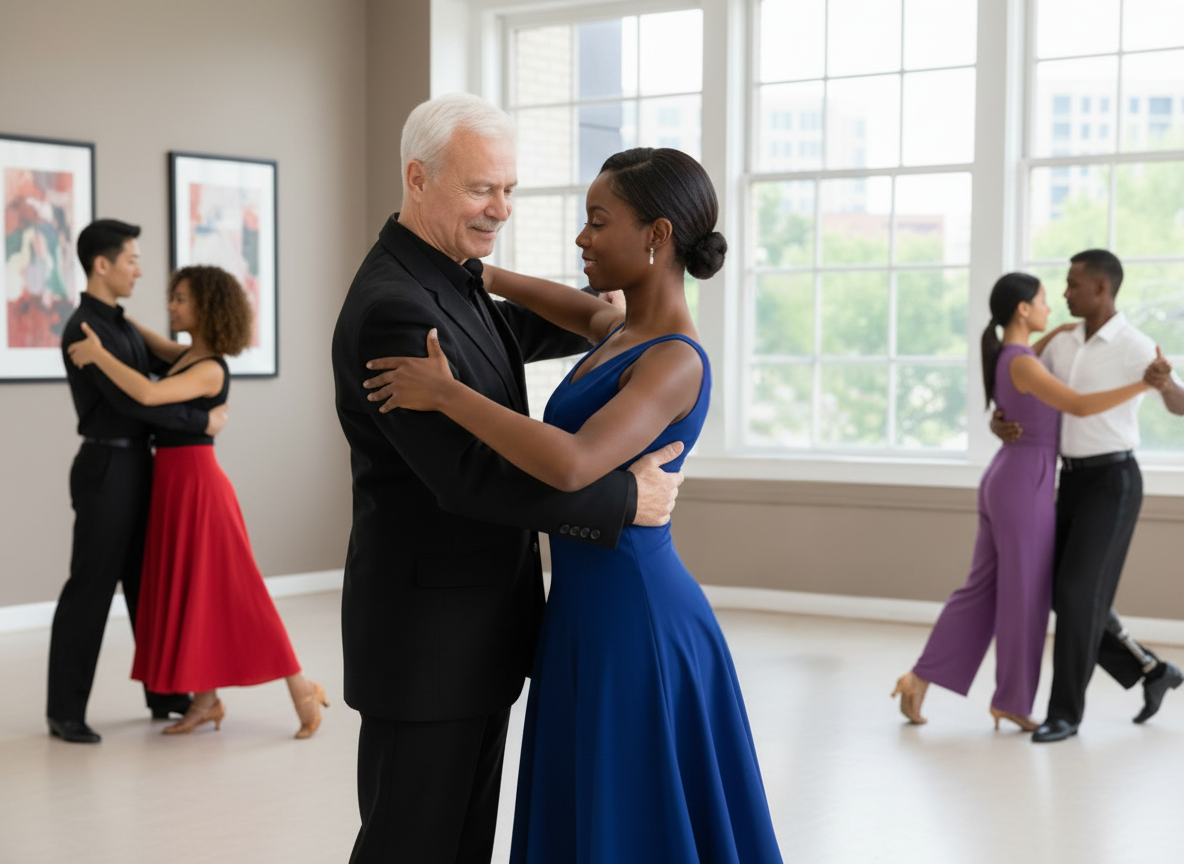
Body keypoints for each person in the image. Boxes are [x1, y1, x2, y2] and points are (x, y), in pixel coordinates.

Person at [364, 147, 784, 863]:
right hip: (586, 608)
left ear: (654, 236)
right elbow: (574, 307)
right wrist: (478, 274)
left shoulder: (674, 359)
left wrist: (446, 394)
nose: (582, 239)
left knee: (630, 813)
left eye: (596, 222)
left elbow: (573, 463)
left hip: (635, 615)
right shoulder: (621, 332)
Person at [331, 93, 683, 864]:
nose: (501, 208)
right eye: (481, 189)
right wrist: (626, 499)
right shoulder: (395, 307)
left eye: (511, 190)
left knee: (459, 845)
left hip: (476, 632)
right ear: (417, 179)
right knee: (409, 845)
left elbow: (519, 330)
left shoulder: (453, 276)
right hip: (427, 639)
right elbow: (467, 478)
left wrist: (627, 310)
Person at [67, 265, 327, 739]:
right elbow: (147, 343)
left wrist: (98, 354)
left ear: (205, 307)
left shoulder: (208, 369)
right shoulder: (188, 355)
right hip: (174, 486)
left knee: (239, 590)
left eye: (180, 299)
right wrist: (112, 317)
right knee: (196, 591)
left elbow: (147, 393)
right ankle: (205, 702)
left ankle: (302, 691)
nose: (171, 306)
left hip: (199, 489)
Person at [891, 273, 1151, 731]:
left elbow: (1030, 351)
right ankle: (1011, 700)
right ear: (1023, 311)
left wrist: (1063, 331)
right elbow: (1081, 406)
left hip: (1005, 477)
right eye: (1044, 301)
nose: (1052, 308)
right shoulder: (1025, 364)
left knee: (979, 591)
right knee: (1025, 599)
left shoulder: (1010, 356)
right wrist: (1142, 385)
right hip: (1025, 485)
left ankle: (918, 679)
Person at [991, 250, 1184, 742]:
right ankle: (1151, 671)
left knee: (1077, 595)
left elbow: (1178, 401)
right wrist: (999, 420)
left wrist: (1162, 387)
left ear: (1102, 290)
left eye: (1074, 285)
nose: (1064, 293)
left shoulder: (1134, 345)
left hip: (1114, 483)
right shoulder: (1061, 344)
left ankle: (1065, 715)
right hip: (1069, 480)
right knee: (1063, 592)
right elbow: (1023, 384)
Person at [48, 219, 227, 745]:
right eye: (131, 260)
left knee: (146, 586)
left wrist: (213, 378)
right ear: (101, 265)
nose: (139, 270)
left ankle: (165, 694)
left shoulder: (120, 325)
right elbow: (133, 401)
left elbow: (180, 366)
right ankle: (64, 711)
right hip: (107, 468)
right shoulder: (87, 329)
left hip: (138, 467)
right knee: (91, 587)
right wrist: (203, 422)